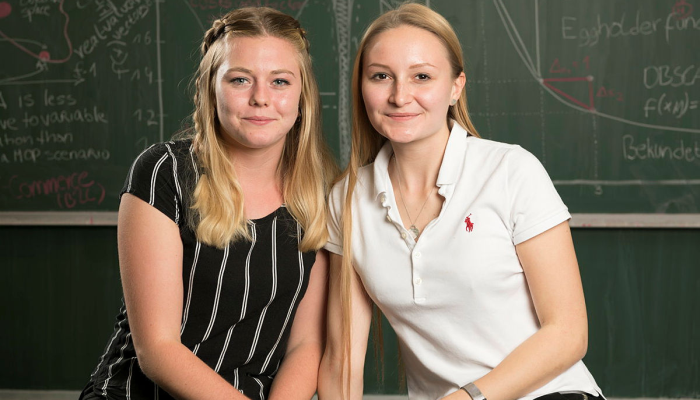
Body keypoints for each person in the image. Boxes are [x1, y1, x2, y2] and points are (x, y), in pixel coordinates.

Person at [318, 4, 603, 400]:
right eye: (381, 76)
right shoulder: (346, 199)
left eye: (422, 77)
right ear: (361, 87)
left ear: (455, 87)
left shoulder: (510, 170)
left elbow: (569, 334)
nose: (400, 96)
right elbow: (341, 359)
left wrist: (468, 398)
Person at [79, 7, 336, 400]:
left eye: (280, 81)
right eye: (239, 80)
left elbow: (305, 347)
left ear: (303, 97)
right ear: (209, 89)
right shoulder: (164, 172)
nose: (261, 98)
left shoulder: (321, 196)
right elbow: (158, 350)